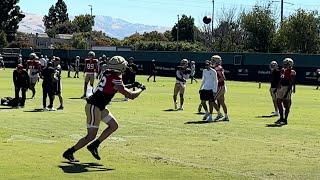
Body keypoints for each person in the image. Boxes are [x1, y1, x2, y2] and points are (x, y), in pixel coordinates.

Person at [62, 56, 146, 162]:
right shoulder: (116, 77)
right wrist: (140, 89)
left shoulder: (107, 73)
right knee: (91, 136)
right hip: (94, 106)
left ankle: (94, 146)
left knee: (113, 125)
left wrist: (131, 85)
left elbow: (114, 87)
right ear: (121, 66)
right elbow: (131, 95)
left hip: (99, 106)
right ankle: (69, 152)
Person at [275, 58, 296, 125]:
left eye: (287, 63)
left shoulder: (292, 72)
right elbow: (281, 79)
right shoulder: (282, 70)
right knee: (278, 102)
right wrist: (278, 87)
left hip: (287, 88)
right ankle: (281, 117)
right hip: (281, 88)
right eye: (285, 63)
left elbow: (291, 83)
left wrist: (287, 93)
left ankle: (285, 119)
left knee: (286, 104)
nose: (285, 64)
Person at [212, 55, 229, 121]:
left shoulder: (218, 68)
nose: (212, 61)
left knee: (212, 100)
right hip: (221, 86)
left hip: (220, 86)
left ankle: (219, 114)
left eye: (213, 60)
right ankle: (226, 116)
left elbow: (222, 78)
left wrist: (216, 82)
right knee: (222, 102)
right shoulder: (218, 67)